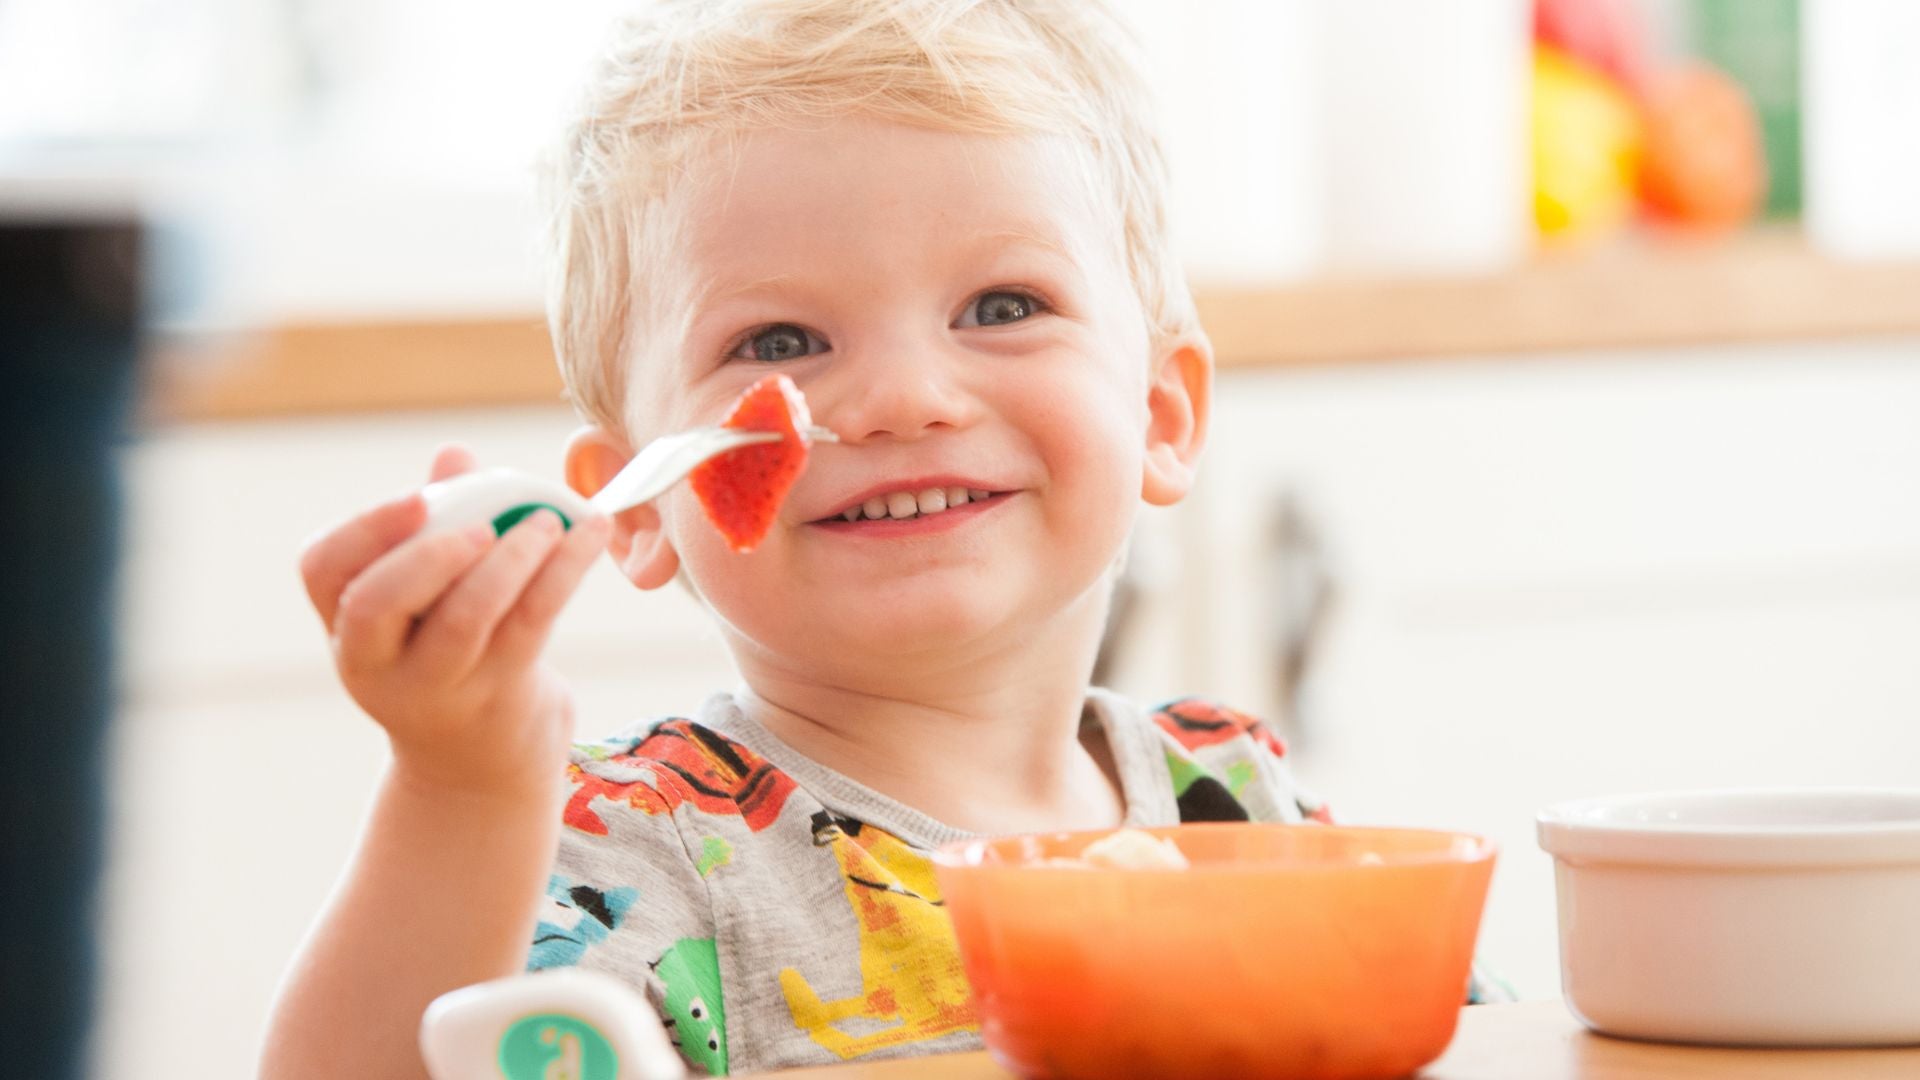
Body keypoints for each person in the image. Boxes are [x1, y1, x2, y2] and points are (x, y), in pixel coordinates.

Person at [261, 2, 1372, 1075]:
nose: (901, 397)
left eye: (1000, 306)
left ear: (1160, 419)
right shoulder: (639, 843)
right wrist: (458, 789)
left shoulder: (1232, 795)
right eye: (779, 338)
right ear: (641, 507)